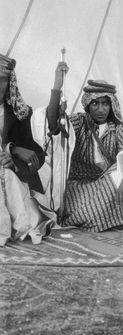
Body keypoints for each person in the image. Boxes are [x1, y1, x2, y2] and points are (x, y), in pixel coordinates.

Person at [45, 63, 123, 231]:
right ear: (88, 104)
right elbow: (52, 124)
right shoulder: (78, 123)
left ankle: (115, 212)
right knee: (83, 213)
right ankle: (114, 216)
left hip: (110, 184)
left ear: (112, 105)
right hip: (80, 187)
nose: (101, 109)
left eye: (105, 103)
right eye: (95, 103)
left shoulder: (117, 129)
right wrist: (57, 86)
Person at [0, 54, 55, 245]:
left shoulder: (21, 113)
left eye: (3, 80)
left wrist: (13, 153)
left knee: (5, 174)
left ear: (10, 83)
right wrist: (9, 148)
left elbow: (37, 154)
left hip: (16, 175)